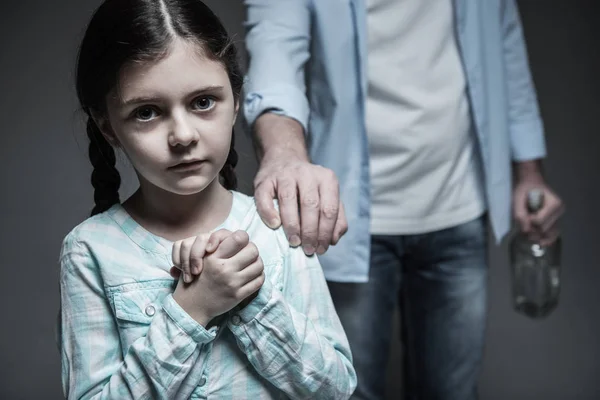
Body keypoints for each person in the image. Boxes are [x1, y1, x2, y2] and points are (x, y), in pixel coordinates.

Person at [243, 0, 565, 399]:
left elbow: (506, 47)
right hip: (345, 222)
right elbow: (274, 53)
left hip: (461, 206)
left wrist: (529, 171)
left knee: (453, 392)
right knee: (345, 392)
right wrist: (284, 154)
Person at [57, 1, 356, 399]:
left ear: (235, 101)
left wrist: (249, 296)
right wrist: (190, 310)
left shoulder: (277, 224)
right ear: (107, 126)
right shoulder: (89, 251)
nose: (182, 135)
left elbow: (334, 389)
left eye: (202, 102)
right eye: (147, 112)